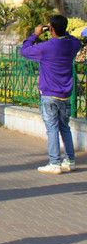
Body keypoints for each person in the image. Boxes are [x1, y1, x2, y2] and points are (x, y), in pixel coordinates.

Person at [20, 15, 82, 174]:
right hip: (65, 94)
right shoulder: (71, 45)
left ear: (51, 29)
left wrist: (36, 34)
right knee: (64, 127)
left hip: (49, 93)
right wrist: (64, 33)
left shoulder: (46, 47)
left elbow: (25, 50)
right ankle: (70, 160)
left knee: (52, 128)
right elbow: (77, 41)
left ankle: (54, 162)